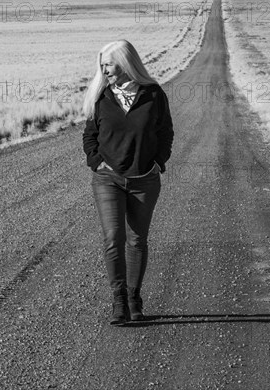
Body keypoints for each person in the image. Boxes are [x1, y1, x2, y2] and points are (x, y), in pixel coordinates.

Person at [82, 39, 174, 325]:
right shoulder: (100, 95)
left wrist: (158, 162)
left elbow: (166, 132)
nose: (104, 70)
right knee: (113, 239)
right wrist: (97, 162)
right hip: (108, 179)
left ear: (124, 63)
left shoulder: (153, 94)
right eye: (102, 65)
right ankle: (118, 300)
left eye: (108, 64)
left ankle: (135, 298)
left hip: (144, 179)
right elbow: (89, 136)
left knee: (137, 240)